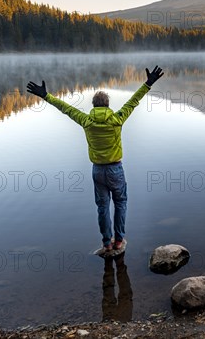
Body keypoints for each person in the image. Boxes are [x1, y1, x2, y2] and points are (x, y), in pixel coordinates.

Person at [26, 66, 164, 252]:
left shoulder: (86, 120)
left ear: (94, 106)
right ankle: (119, 240)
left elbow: (65, 108)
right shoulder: (117, 118)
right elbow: (134, 101)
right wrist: (148, 83)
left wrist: (45, 96)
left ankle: (106, 243)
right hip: (116, 169)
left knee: (102, 207)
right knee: (121, 203)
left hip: (98, 171)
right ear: (107, 105)